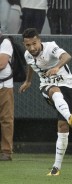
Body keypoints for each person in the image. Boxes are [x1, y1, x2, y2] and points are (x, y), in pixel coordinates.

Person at [19, 28, 72, 176]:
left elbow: (67, 56)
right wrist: (28, 81)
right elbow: (31, 66)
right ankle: (55, 168)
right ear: (24, 44)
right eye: (28, 45)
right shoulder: (28, 55)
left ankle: (57, 167)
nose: (32, 48)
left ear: (39, 40)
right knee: (53, 91)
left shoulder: (51, 46)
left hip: (69, 85)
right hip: (47, 85)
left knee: (63, 127)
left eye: (34, 43)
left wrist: (57, 67)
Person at [0, 31, 14, 161]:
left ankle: (6, 151)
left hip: (4, 86)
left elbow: (2, 64)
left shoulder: (5, 42)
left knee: (6, 118)